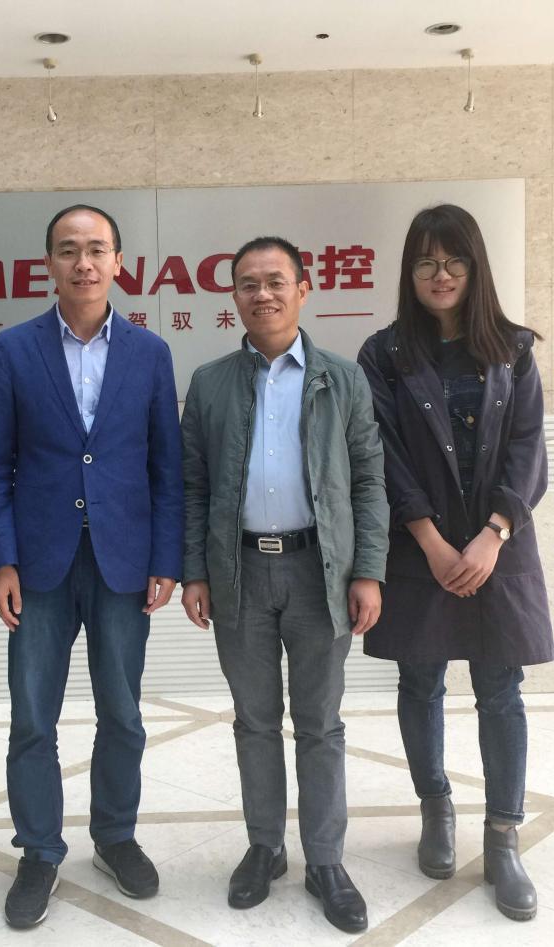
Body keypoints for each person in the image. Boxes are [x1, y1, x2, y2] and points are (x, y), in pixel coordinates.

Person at [0, 204, 184, 929]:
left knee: (122, 712)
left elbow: (166, 467)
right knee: (32, 717)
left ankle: (115, 836)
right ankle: (39, 851)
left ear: (119, 262)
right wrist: (1, 560)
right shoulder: (12, 349)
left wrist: (166, 558)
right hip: (38, 565)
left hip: (123, 561)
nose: (84, 263)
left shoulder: (149, 353)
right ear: (49, 264)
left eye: (97, 249)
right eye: (69, 250)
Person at [180, 236, 389, 934]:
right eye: (247, 283)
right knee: (255, 719)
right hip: (238, 570)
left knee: (320, 722)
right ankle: (265, 847)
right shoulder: (210, 383)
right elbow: (193, 485)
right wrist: (195, 570)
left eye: (275, 281)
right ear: (234, 296)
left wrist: (368, 570)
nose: (262, 294)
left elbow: (368, 480)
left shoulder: (342, 379)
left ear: (303, 289)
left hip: (319, 570)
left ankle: (326, 860)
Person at [357, 204, 553, 922]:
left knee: (500, 690)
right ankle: (434, 807)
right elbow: (380, 452)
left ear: (475, 268)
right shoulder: (383, 353)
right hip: (421, 549)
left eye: (453, 262)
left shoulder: (513, 348)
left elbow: (528, 447)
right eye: (425, 263)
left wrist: (493, 532)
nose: (439, 276)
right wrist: (432, 540)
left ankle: (502, 836)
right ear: (408, 272)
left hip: (499, 546)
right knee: (420, 680)